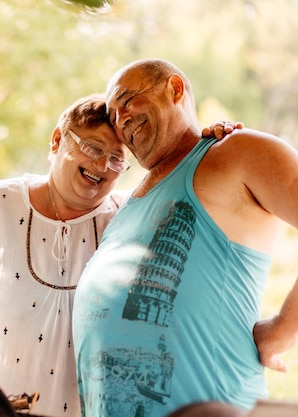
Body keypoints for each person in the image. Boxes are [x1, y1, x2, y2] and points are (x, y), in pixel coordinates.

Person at [0, 91, 236, 417]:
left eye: (117, 158)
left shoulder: (129, 216)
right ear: (57, 140)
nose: (102, 165)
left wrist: (209, 146)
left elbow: (198, 192)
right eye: (92, 147)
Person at [72, 58, 298, 417]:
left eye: (127, 100)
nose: (121, 119)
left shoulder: (236, 152)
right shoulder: (126, 206)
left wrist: (283, 329)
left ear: (174, 90)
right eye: (113, 115)